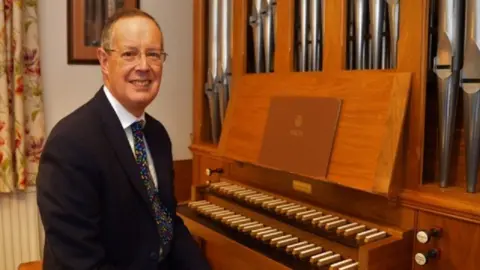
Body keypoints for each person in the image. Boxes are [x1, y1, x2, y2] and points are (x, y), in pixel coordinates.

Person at [36, 8, 211, 270]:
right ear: (104, 61)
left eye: (153, 54)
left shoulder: (157, 134)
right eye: (130, 54)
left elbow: (166, 222)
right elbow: (79, 261)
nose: (144, 66)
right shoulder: (69, 144)